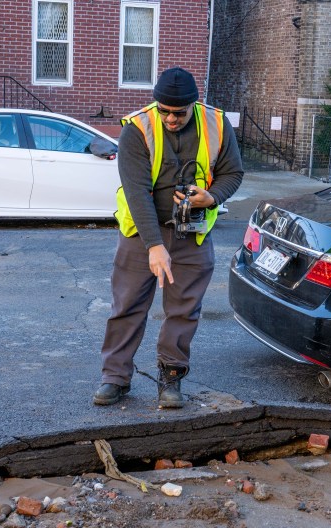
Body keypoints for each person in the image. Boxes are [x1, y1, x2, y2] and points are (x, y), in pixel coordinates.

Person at [94, 67, 243, 409]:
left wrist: (212, 196)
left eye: (178, 113)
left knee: (184, 310)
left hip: (192, 233)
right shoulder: (137, 128)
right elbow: (136, 191)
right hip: (141, 232)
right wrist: (154, 246)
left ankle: (171, 377)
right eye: (164, 111)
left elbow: (233, 172)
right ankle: (114, 378)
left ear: (193, 105)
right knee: (127, 306)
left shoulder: (217, 124)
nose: (170, 119)